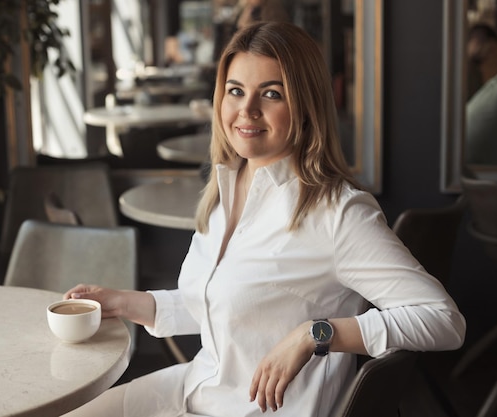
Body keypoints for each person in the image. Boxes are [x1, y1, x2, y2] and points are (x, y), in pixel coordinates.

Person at [62, 22, 466, 417]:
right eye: (235, 91)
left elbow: (443, 320)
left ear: (306, 107)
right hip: (198, 388)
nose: (246, 110)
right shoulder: (225, 185)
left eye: (271, 94)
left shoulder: (337, 212)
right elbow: (225, 304)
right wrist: (128, 302)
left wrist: (316, 334)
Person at [466, 23, 497, 100]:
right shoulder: (464, 70)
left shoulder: (476, 70)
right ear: (477, 41)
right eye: (489, 51)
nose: (489, 56)